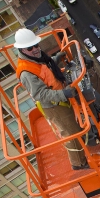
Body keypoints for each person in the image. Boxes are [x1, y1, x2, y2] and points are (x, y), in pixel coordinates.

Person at [14, 28, 88, 170]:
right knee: (72, 133)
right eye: (30, 47)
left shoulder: (37, 58)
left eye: (36, 45)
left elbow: (46, 71)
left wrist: (56, 59)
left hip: (59, 96)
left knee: (75, 125)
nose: (35, 49)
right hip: (54, 105)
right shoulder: (26, 72)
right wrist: (64, 94)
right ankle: (79, 164)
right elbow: (40, 95)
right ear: (22, 50)